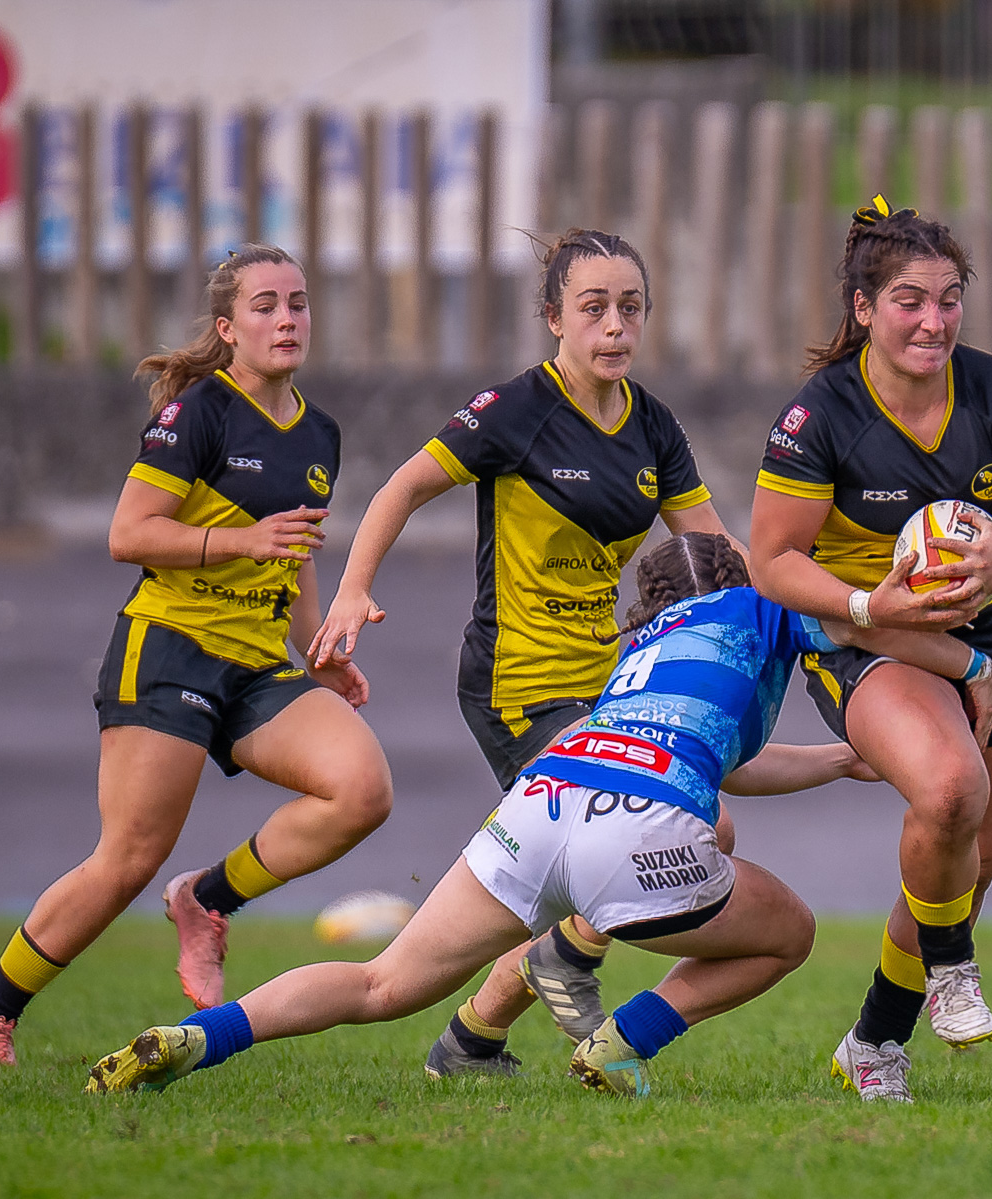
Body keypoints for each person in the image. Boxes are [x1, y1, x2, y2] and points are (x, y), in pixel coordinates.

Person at [86, 532, 992, 1098]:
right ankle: (618, 1039)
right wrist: (968, 666)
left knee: (382, 984)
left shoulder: (639, 651)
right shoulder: (767, 604)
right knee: (788, 932)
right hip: (634, 828)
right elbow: (872, 620)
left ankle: (196, 1040)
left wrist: (840, 762)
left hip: (543, 799)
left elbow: (720, 756)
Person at [0, 244, 394, 1066]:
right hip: (170, 652)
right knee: (127, 858)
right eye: (265, 305)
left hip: (257, 663)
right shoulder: (198, 414)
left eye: (297, 302)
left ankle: (206, 898)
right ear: (228, 328)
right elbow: (130, 533)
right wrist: (239, 540)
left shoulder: (319, 432)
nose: (287, 318)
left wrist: (318, 645)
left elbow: (293, 551)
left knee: (361, 790)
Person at [306, 229, 746, 1074]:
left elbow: (720, 558)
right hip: (518, 682)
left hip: (606, 684)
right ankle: (544, 973)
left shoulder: (652, 424)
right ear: (553, 318)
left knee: (593, 866)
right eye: (593, 309)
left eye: (630, 308)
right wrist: (353, 589)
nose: (615, 326)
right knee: (693, 825)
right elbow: (404, 484)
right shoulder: (517, 411)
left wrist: (819, 612)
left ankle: (474, 1038)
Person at [746, 196, 992, 1102]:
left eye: (950, 298)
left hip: (986, 630)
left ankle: (875, 1041)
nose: (934, 320)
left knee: (976, 850)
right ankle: (954, 968)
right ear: (863, 308)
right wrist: (863, 599)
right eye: (910, 301)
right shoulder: (821, 416)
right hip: (866, 632)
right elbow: (772, 561)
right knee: (950, 787)